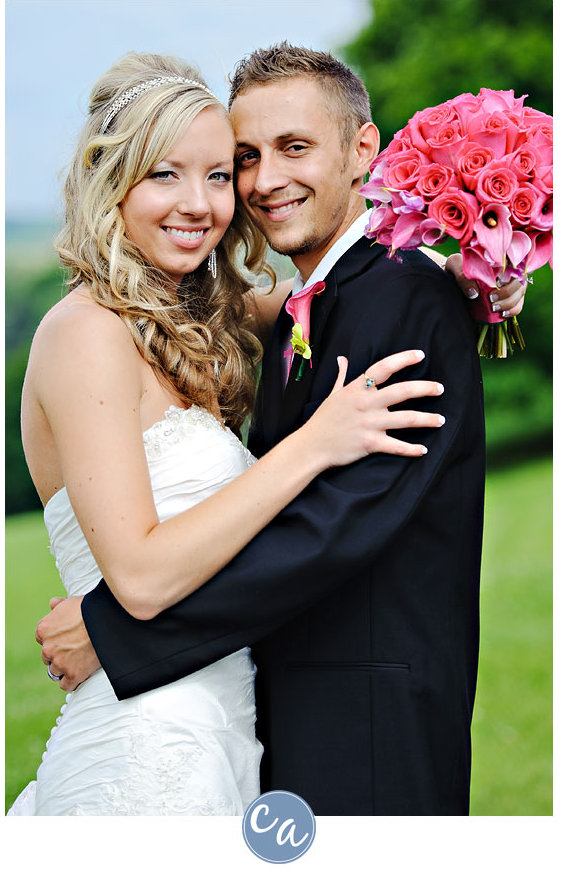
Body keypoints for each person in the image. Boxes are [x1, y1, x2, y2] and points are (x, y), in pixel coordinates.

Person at [32, 45, 525, 816]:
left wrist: (470, 272)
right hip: (193, 729)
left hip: (361, 724)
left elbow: (331, 527)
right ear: (112, 182)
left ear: (364, 149)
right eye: (243, 160)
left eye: (221, 173)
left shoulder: (394, 297)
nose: (253, 186)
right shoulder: (133, 329)